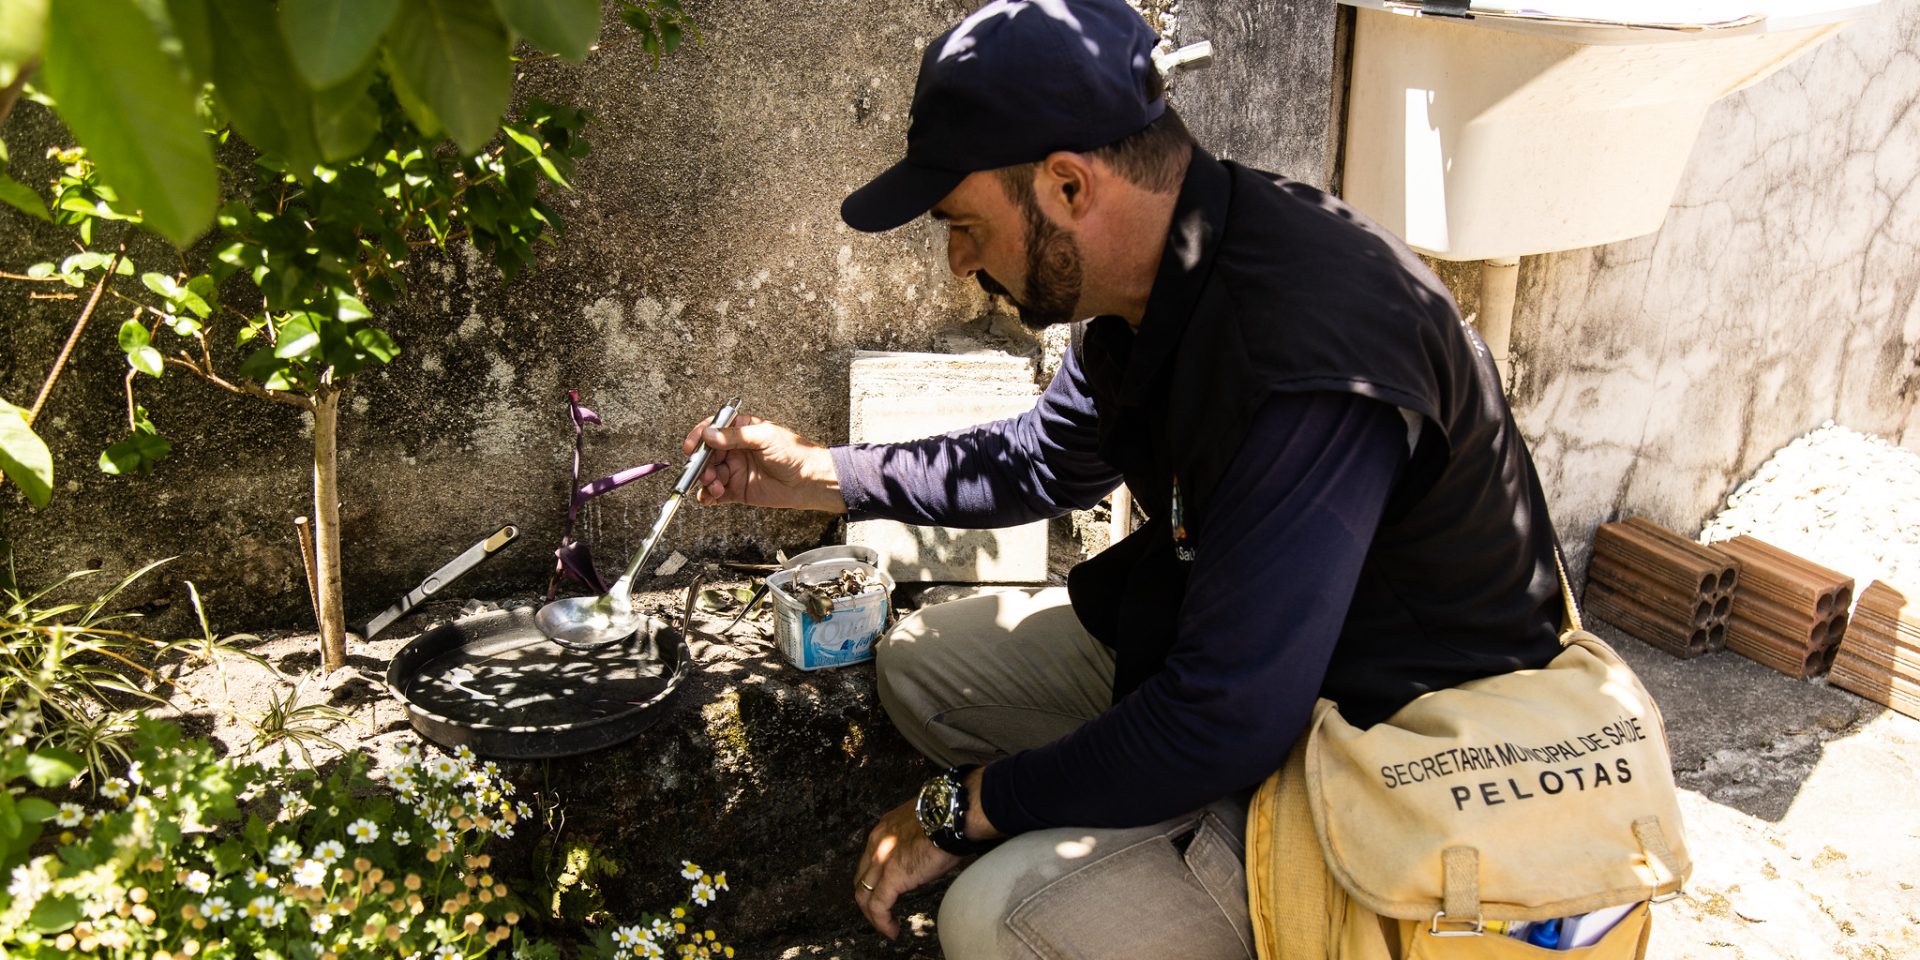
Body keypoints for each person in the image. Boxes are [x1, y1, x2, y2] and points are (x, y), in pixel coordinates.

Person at [683, 1, 1565, 957]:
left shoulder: (1303, 353)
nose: (958, 261)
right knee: (925, 666)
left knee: (995, 921)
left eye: (965, 225)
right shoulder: (1157, 277)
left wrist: (958, 808)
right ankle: (1146, 843)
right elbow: (1039, 459)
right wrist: (818, 474)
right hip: (1246, 668)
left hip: (1379, 750)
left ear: (1066, 185)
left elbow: (1222, 717)